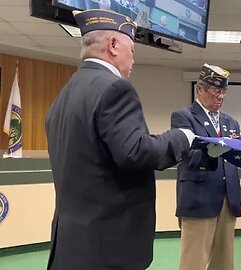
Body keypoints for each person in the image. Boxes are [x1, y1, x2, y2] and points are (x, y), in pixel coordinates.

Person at [45, 9, 194, 270]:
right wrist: (181, 137)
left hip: (71, 244)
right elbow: (135, 152)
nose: (133, 60)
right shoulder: (114, 88)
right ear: (113, 45)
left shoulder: (65, 94)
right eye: (132, 51)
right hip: (107, 247)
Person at [170, 63, 241, 270]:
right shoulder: (184, 117)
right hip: (199, 198)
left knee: (224, 262)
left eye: (224, 92)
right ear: (200, 89)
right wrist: (210, 152)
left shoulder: (231, 122)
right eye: (216, 91)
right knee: (194, 262)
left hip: (229, 199)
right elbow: (185, 155)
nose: (221, 97)